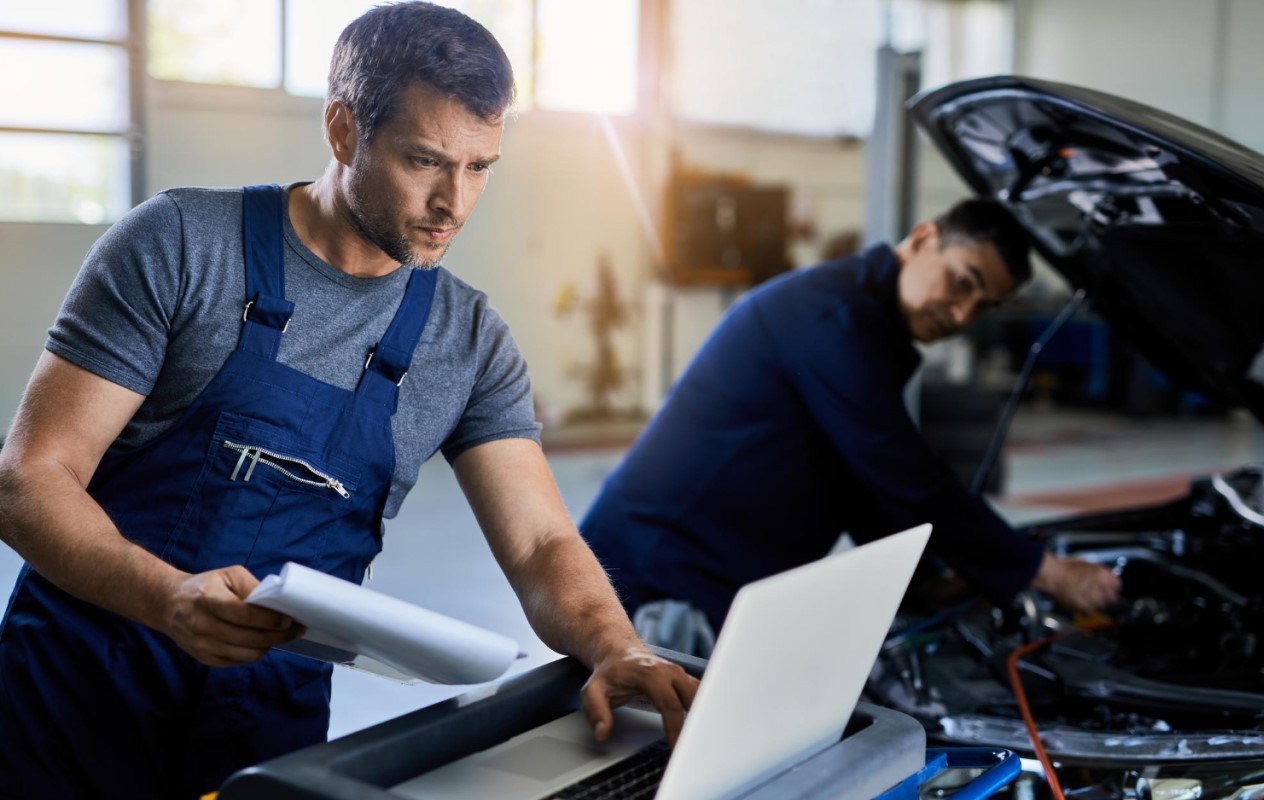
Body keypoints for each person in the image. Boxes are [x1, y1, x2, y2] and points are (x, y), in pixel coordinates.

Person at [0, 4, 696, 797]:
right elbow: (30, 479)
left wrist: (616, 644)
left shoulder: (465, 340)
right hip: (76, 699)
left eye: (480, 168)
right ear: (341, 130)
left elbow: (539, 544)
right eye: (425, 161)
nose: (454, 204)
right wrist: (164, 598)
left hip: (267, 732)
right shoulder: (182, 246)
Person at [580, 198, 1122, 653]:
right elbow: (906, 477)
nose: (962, 315)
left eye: (983, 306)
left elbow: (857, 484)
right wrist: (1044, 572)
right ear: (923, 238)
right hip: (648, 580)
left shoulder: (870, 328)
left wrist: (929, 577)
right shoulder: (833, 318)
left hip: (704, 575)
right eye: (962, 282)